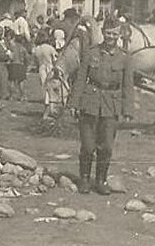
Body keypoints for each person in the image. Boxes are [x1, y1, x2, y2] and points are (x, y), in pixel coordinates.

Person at [68, 17, 134, 195]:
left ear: (119, 35)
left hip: (111, 106)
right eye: (108, 33)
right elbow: (81, 79)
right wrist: (74, 103)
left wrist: (127, 110)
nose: (111, 36)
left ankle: (101, 181)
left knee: (106, 147)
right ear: (103, 33)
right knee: (88, 146)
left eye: (114, 33)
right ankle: (84, 179)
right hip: (89, 103)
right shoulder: (91, 53)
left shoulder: (125, 57)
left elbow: (128, 85)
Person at [33, 34, 58, 110]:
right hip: (50, 66)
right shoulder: (50, 48)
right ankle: (51, 103)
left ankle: (47, 101)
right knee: (51, 85)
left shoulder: (37, 49)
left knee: (45, 85)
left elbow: (35, 60)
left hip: (41, 67)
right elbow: (55, 59)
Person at [7, 33, 29, 101]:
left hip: (13, 64)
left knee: (11, 81)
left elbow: (9, 55)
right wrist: (26, 65)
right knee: (21, 81)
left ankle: (11, 96)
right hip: (21, 64)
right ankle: (22, 96)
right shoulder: (23, 49)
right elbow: (26, 58)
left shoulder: (12, 47)